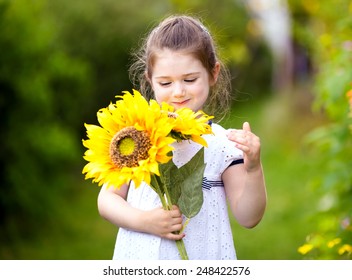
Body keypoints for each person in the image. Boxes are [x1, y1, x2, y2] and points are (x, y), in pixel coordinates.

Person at [97, 15, 267, 260]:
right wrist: (145, 221)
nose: (178, 92)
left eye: (189, 79)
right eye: (165, 83)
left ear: (213, 73)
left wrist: (253, 168)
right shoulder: (135, 138)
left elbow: (249, 217)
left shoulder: (222, 145)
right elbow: (107, 200)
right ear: (150, 80)